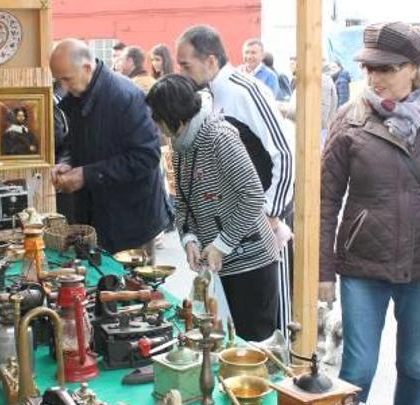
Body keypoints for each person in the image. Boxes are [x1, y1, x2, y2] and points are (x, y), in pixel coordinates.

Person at [319, 21, 420, 405]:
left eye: (386, 68)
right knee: (356, 372)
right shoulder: (349, 118)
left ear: (414, 67)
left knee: (417, 367)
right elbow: (325, 200)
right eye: (369, 68)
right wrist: (323, 273)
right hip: (363, 265)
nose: (375, 77)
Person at [176, 24, 295, 332]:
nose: (182, 73)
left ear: (211, 61)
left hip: (262, 229)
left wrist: (272, 212)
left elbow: (284, 152)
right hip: (226, 237)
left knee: (269, 332)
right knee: (234, 331)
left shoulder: (245, 90)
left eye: (186, 65)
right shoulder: (205, 96)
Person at [146, 75, 280, 340]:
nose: (158, 127)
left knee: (253, 346)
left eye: (159, 119)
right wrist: (189, 239)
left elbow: (253, 196)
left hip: (250, 262)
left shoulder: (220, 137)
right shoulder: (181, 143)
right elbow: (182, 198)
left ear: (176, 118)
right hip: (218, 263)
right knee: (224, 341)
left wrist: (222, 244)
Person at [49, 39, 170, 258]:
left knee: (133, 289)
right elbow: (71, 141)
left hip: (132, 218)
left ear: (87, 68)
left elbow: (146, 156)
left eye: (67, 79)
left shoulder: (125, 96)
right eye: (59, 81)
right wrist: (66, 162)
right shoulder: (76, 95)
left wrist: (86, 174)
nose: (63, 87)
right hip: (95, 213)